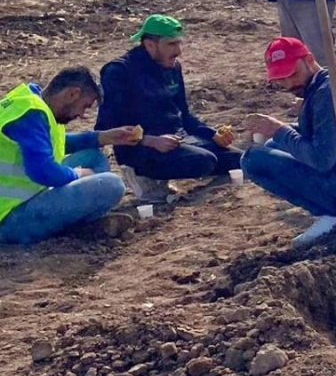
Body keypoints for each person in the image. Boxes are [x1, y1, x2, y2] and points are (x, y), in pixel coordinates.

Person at [242, 38, 336, 247]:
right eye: (281, 78)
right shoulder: (335, 79)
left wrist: (279, 130)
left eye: (292, 74)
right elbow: (326, 132)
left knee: (253, 159)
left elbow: (321, 160)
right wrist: (279, 130)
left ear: (309, 60)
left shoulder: (328, 94)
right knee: (273, 146)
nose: (289, 84)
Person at [96, 15, 242, 203]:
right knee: (204, 161)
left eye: (179, 44)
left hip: (178, 140)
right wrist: (150, 140)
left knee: (238, 158)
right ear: (150, 45)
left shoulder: (172, 67)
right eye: (172, 45)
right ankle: (141, 176)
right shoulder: (119, 72)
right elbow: (107, 126)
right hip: (140, 148)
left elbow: (185, 115)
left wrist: (213, 134)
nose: (178, 51)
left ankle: (174, 165)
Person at [0, 68, 140, 245]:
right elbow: (43, 172)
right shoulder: (31, 116)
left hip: (22, 198)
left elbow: (47, 145)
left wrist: (102, 137)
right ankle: (80, 226)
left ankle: (77, 221)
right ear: (73, 94)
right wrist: (79, 174)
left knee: (93, 157)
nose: (82, 115)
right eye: (85, 106)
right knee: (113, 185)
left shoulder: (31, 102)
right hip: (9, 219)